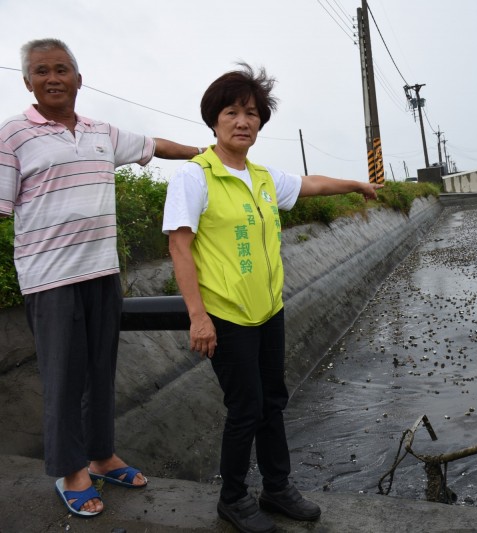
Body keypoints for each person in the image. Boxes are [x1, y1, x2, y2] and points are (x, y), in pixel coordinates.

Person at [162, 63, 381, 533]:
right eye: (232, 112)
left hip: (269, 311)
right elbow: (179, 246)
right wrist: (197, 317)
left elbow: (311, 185)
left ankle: (277, 488)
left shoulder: (262, 178)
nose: (243, 121)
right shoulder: (194, 177)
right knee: (245, 408)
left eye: (252, 113)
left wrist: (357, 184)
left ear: (260, 122)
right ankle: (233, 498)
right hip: (226, 316)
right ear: (213, 120)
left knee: (274, 402)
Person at [0, 38, 203, 518]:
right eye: (42, 70)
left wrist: (208, 155)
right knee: (64, 378)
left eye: (62, 69)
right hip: (50, 280)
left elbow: (155, 145)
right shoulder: (12, 135)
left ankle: (102, 455)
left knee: (100, 372)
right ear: (27, 81)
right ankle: (70, 471)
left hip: (102, 273)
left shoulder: (101, 132)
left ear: (78, 77)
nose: (53, 78)